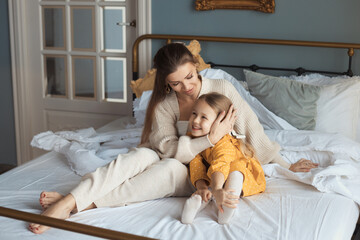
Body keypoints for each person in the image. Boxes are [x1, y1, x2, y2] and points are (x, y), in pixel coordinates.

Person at [29, 43, 318, 234]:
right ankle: (70, 200)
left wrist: (284, 164)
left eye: (191, 77)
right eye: (176, 83)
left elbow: (253, 131)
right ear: (165, 83)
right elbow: (165, 148)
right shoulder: (165, 103)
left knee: (165, 172)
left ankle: (81, 202)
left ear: (196, 67)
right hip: (174, 156)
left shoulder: (222, 90)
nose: (188, 87)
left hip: (200, 170)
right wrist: (208, 138)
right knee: (139, 156)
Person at [181, 93, 266, 224]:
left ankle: (226, 207)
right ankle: (195, 207)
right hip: (216, 176)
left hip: (235, 172)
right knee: (206, 186)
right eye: (194, 113)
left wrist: (217, 188)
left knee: (235, 169)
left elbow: (221, 163)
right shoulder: (193, 139)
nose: (196, 120)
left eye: (204, 117)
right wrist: (202, 187)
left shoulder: (224, 142)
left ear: (220, 123)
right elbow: (195, 165)